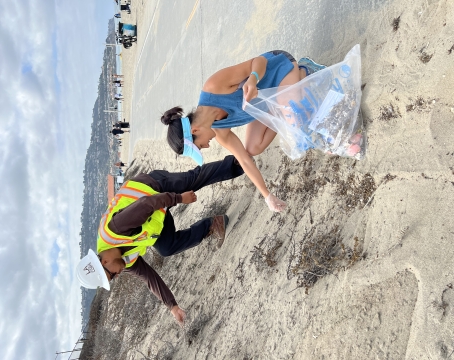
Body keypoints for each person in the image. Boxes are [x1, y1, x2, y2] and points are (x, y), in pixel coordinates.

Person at [76, 156, 245, 326]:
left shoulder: (115, 229)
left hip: (153, 187)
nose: (117, 276)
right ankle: (214, 224)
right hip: (156, 215)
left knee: (194, 180)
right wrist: (172, 306)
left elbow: (146, 204)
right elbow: (149, 278)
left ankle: (238, 163)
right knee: (166, 248)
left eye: (111, 275)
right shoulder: (122, 262)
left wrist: (179, 198)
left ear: (105, 261)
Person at [161, 51, 326, 212]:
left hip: (278, 70)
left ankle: (304, 71)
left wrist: (253, 79)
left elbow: (259, 61)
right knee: (253, 148)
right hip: (268, 101)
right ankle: (285, 106)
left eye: (199, 146)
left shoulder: (213, 87)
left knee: (296, 119)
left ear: (195, 129)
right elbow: (245, 160)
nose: (206, 147)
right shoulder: (220, 132)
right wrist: (267, 196)